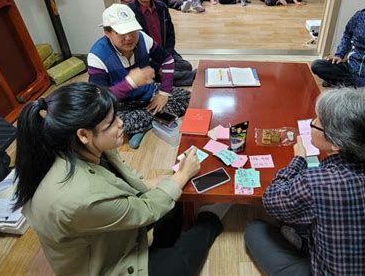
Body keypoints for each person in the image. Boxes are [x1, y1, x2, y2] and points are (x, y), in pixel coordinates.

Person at [13, 82, 226, 275]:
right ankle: (210, 219)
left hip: (111, 237)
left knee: (175, 197)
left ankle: (163, 244)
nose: (121, 123)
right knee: (181, 261)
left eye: (116, 115)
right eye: (111, 122)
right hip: (104, 267)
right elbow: (145, 210)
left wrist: (168, 180)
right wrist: (182, 175)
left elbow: (129, 184)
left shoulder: (85, 150)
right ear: (83, 135)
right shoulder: (80, 197)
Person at [245, 87, 365, 275]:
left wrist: (298, 159)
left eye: (317, 123)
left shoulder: (320, 183)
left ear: (336, 144)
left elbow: (271, 200)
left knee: (255, 230)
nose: (312, 123)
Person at [87, 3, 191, 149]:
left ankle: (143, 126)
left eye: (132, 31)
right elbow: (100, 100)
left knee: (186, 97)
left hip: (147, 94)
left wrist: (164, 93)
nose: (129, 38)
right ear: (107, 32)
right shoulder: (96, 57)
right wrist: (129, 83)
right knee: (109, 127)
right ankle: (151, 122)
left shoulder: (142, 38)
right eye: (121, 33)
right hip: (121, 106)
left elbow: (167, 60)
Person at [128, 0, 196, 87]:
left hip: (164, 52)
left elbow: (170, 33)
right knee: (159, 72)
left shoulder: (161, 7)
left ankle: (166, 76)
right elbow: (135, 48)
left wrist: (167, 56)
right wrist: (157, 65)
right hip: (146, 59)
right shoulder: (130, 12)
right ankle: (194, 77)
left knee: (186, 66)